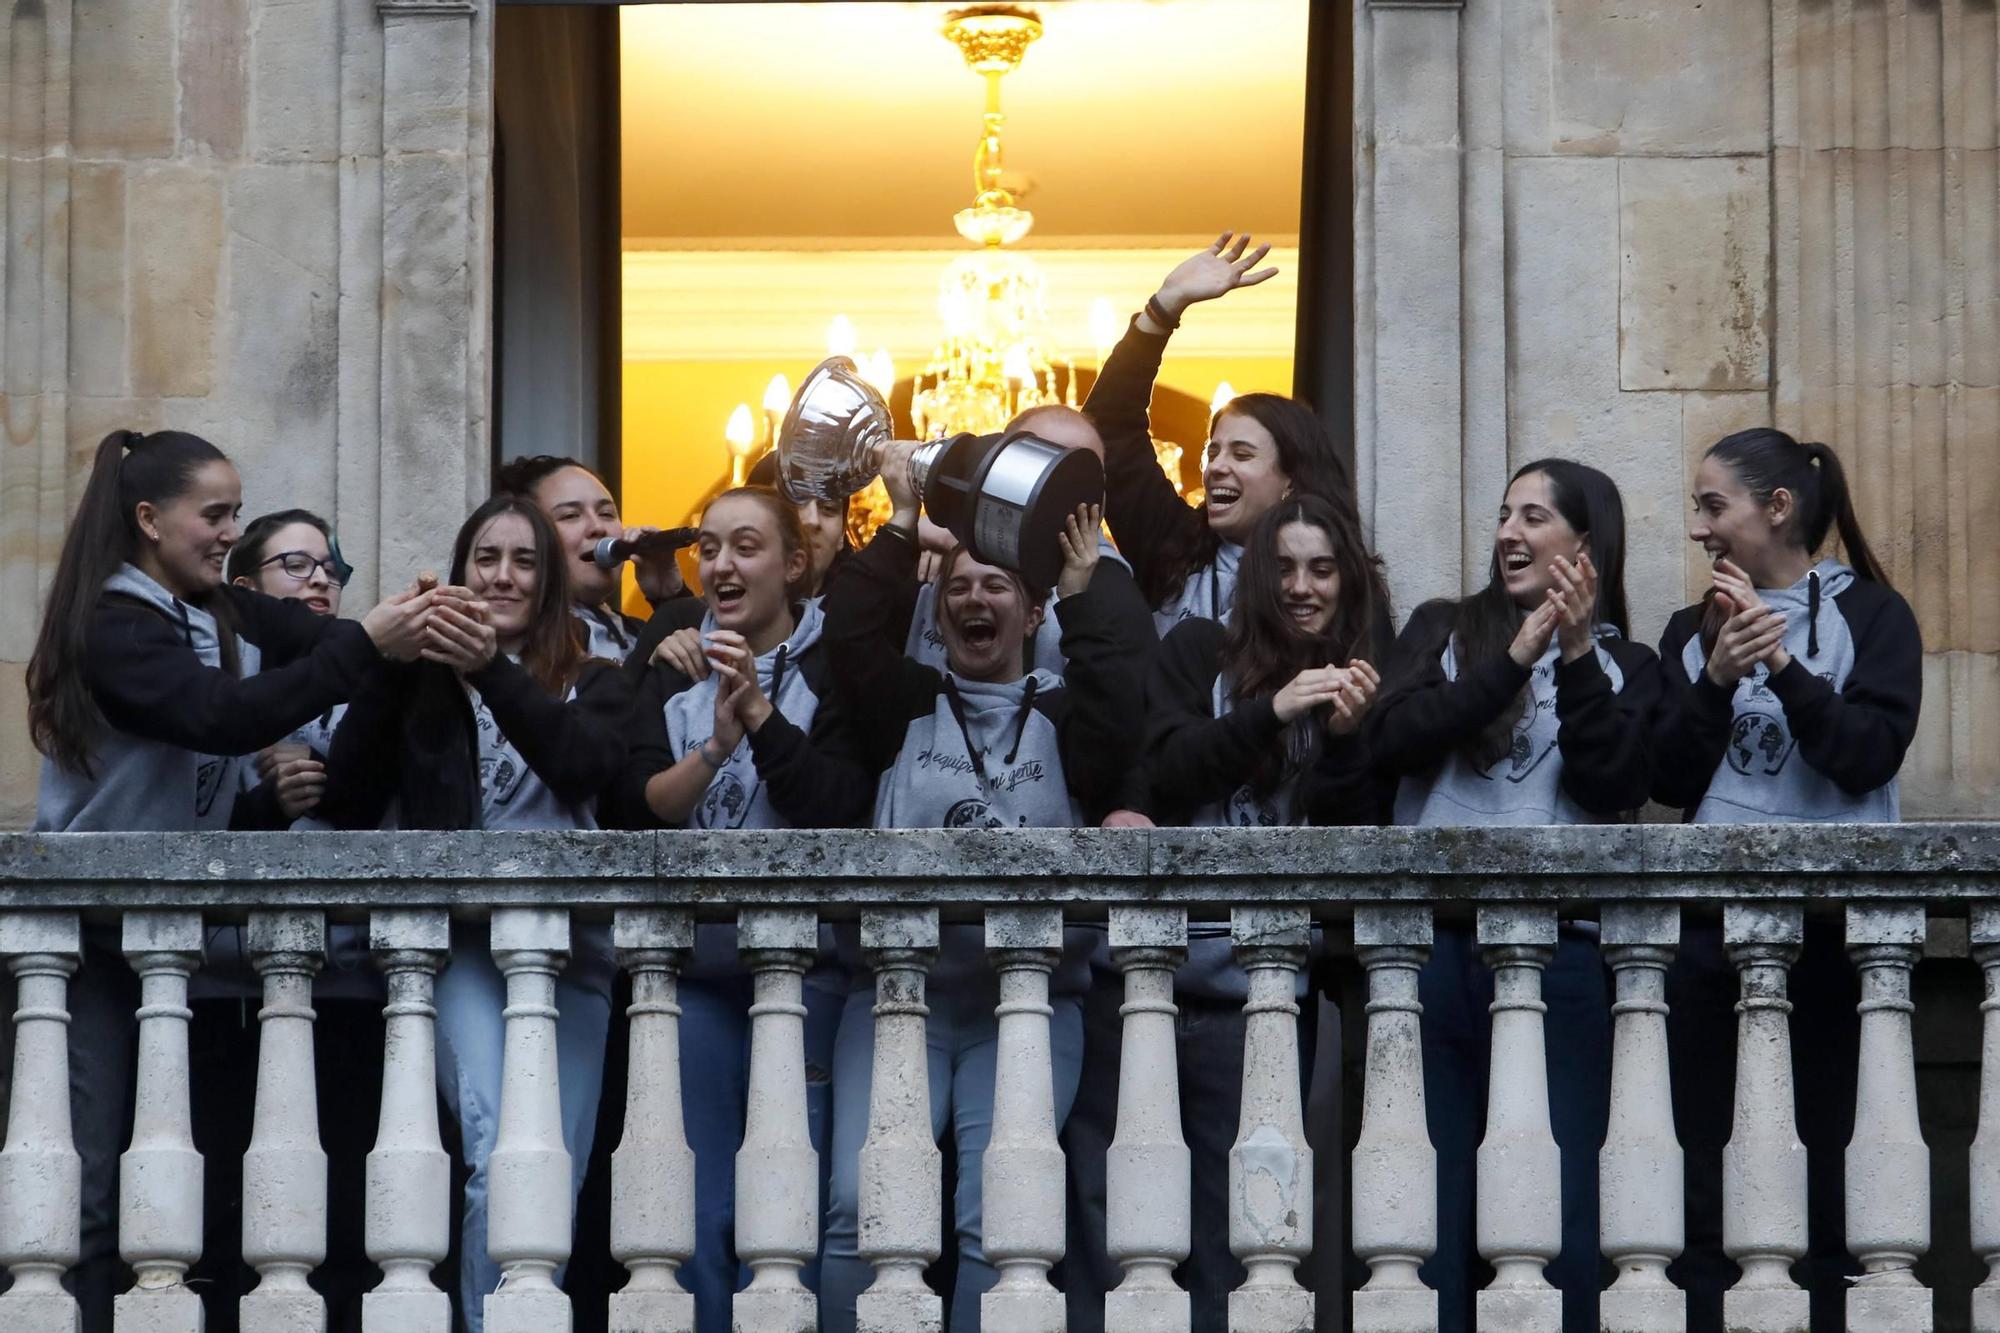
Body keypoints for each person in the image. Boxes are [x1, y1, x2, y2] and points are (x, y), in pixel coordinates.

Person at [26, 429, 431, 1329]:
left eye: (235, 514)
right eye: (214, 514)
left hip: (178, 944)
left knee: (182, 1193)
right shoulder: (113, 624)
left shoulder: (215, 607)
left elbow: (318, 643)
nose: (226, 532)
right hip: (91, 945)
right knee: (87, 1187)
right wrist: (367, 641)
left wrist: (419, 623)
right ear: (147, 518)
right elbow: (218, 716)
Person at [817, 440, 1152, 1333]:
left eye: (997, 584)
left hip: (1031, 1007)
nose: (975, 598)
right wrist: (897, 522)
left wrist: (1085, 592)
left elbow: (1124, 719)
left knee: (995, 1223)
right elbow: (847, 633)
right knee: (861, 1205)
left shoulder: (1063, 710)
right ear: (937, 609)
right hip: (900, 1001)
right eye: (958, 586)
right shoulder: (906, 699)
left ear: (1032, 607)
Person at [317, 494, 636, 1333]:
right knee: (502, 1150)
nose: (502, 575)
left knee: (553, 1171)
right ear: (458, 574)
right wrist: (396, 663)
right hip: (459, 949)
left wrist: (494, 668)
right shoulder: (421, 679)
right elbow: (348, 796)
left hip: (573, 956)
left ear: (551, 582)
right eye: (485, 558)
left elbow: (581, 765)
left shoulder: (598, 677)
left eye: (525, 560)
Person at [1069, 494, 1388, 1324]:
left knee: (1248, 1223)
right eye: (1282, 566)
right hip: (1149, 979)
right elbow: (1170, 768)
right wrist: (1272, 710)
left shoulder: (1365, 681)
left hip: (1266, 996)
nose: (1301, 586)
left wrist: (1349, 740)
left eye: (1320, 568)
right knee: (1118, 1212)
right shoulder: (1198, 649)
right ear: (1255, 576)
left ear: (1346, 579)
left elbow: (1358, 845)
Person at [1370, 458, 1657, 1333]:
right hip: (1433, 955)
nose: (1509, 532)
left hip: (1563, 956)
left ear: (1586, 542)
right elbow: (1393, 737)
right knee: (1433, 1190)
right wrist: (1514, 654)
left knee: (1556, 1182)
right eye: (1503, 514)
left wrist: (1570, 651)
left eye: (1534, 516)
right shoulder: (1445, 630)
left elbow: (1614, 782)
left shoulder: (1628, 664)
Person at [1654, 429, 1921, 1332]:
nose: (1698, 529)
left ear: (1775, 508)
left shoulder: (1876, 617)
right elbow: (1662, 780)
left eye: (1712, 505)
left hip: (1835, 943)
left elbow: (1866, 754)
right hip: (1704, 943)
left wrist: (1780, 666)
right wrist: (1717, 678)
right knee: (1702, 1165)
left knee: (1833, 1165)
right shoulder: (1689, 632)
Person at [617, 484, 869, 1327]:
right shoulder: (674, 669)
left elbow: (834, 804)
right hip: (695, 976)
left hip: (814, 977)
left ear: (795, 563)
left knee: (799, 1208)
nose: (721, 564)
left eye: (747, 546)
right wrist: (716, 743)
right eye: (710, 548)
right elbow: (634, 804)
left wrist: (757, 714)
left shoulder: (839, 665)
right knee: (702, 1213)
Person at [1084, 232, 1353, 634]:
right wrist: (1163, 309)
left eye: (1242, 455)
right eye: (1214, 452)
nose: (1215, 468)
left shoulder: (1336, 578)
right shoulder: (1173, 547)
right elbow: (1108, 429)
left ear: (1291, 481)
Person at [224, 508, 355, 828]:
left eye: (332, 569)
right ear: (245, 590)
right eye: (296, 565)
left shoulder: (368, 678)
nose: (322, 580)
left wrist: (320, 772)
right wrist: (271, 802)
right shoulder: (214, 683)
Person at [494, 453, 687, 664]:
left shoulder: (638, 633)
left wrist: (670, 596)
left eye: (606, 513)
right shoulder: (513, 642)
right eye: (570, 515)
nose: (598, 527)